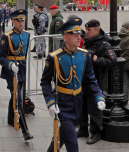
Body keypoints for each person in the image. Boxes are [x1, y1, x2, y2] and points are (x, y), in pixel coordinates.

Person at [41, 18, 105, 152]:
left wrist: (98, 96)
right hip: (63, 105)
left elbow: (90, 79)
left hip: (78, 104)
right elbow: (45, 82)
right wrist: (50, 102)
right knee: (73, 145)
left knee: (62, 137)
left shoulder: (84, 55)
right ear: (65, 37)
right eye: (74, 34)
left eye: (79, 34)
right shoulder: (54, 57)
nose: (78, 37)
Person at [77, 19, 117, 144]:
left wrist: (96, 59)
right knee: (82, 105)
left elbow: (112, 62)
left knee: (94, 108)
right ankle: (83, 128)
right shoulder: (88, 42)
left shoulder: (104, 44)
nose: (87, 32)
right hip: (84, 79)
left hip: (96, 80)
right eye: (86, 29)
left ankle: (96, 132)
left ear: (97, 30)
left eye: (89, 30)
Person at [0, 9, 34, 141]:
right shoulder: (6, 36)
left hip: (22, 68)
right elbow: (0, 57)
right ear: (12, 21)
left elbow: (23, 54)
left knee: (15, 94)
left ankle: (10, 118)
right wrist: (10, 65)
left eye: (22, 20)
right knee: (18, 97)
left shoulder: (26, 34)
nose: (21, 23)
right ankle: (25, 130)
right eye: (18, 20)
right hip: (11, 70)